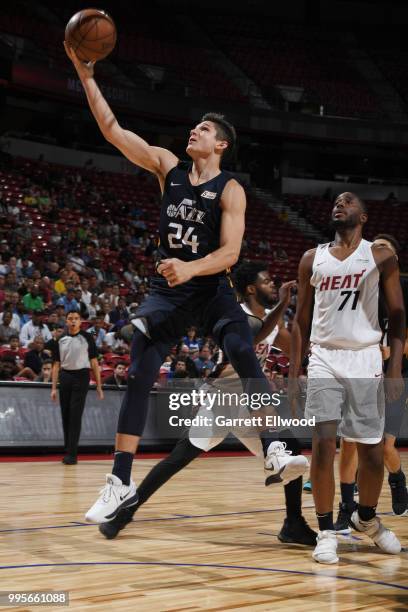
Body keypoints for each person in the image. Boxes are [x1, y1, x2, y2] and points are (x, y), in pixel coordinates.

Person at [64, 42, 308, 524]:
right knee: (137, 370)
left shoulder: (231, 189)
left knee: (242, 348)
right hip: (171, 293)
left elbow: (232, 254)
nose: (194, 129)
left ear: (221, 144)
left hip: (210, 287)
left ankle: (276, 447)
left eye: (205, 128)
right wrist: (85, 73)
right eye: (194, 125)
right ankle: (119, 479)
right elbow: (113, 131)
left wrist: (191, 267)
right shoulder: (167, 167)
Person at [99, 262, 314, 544]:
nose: (273, 284)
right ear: (250, 289)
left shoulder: (272, 323)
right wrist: (282, 308)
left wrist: (300, 313)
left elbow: (298, 343)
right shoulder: (236, 315)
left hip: (251, 406)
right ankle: (124, 513)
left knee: (291, 452)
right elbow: (251, 337)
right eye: (267, 281)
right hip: (223, 399)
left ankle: (293, 523)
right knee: (179, 458)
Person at [290, 192, 405, 564]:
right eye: (336, 201)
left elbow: (400, 317)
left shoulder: (380, 256)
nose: (340, 204)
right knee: (323, 444)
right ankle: (326, 531)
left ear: (364, 215)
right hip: (324, 355)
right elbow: (301, 320)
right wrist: (294, 372)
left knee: (372, 454)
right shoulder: (312, 258)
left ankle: (367, 519)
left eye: (349, 201)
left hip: (366, 357)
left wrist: (395, 369)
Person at [334, 233, 408, 529]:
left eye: (383, 250)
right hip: (359, 374)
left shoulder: (403, 289)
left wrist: (392, 351)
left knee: (384, 447)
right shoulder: (358, 287)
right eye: (374, 249)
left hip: (393, 377)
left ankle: (397, 479)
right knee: (348, 444)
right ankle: (345, 508)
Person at [51, 311, 104, 465]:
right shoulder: (60, 339)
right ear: (66, 322)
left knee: (75, 415)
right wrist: (53, 388)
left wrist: (99, 386)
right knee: (65, 414)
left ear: (80, 321)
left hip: (81, 376)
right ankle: (68, 449)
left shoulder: (87, 338)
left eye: (76, 319)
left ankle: (72, 454)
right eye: (70, 319)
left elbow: (94, 363)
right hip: (65, 376)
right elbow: (55, 365)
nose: (73, 321)